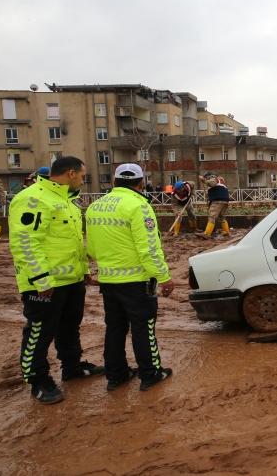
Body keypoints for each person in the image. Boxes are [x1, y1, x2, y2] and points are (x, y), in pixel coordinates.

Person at [8, 156, 104, 404]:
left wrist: (83, 270)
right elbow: (25, 242)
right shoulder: (33, 198)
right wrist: (41, 279)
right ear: (71, 173)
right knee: (39, 332)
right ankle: (37, 380)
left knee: (69, 326)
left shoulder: (67, 200)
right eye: (82, 175)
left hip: (70, 279)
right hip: (44, 284)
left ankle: (71, 367)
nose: (83, 180)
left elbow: (72, 241)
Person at [86, 163, 174, 391]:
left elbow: (92, 249)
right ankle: (150, 373)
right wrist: (163, 276)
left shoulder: (95, 206)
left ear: (114, 181)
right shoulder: (139, 206)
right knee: (143, 329)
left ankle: (116, 375)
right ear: (141, 182)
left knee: (114, 328)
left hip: (108, 280)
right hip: (136, 281)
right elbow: (149, 249)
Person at [199, 172, 230, 238]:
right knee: (222, 217)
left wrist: (204, 180)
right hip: (225, 200)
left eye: (206, 178)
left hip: (217, 201)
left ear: (208, 177)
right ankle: (226, 232)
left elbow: (212, 183)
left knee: (212, 216)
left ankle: (207, 234)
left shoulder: (213, 179)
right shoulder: (220, 181)